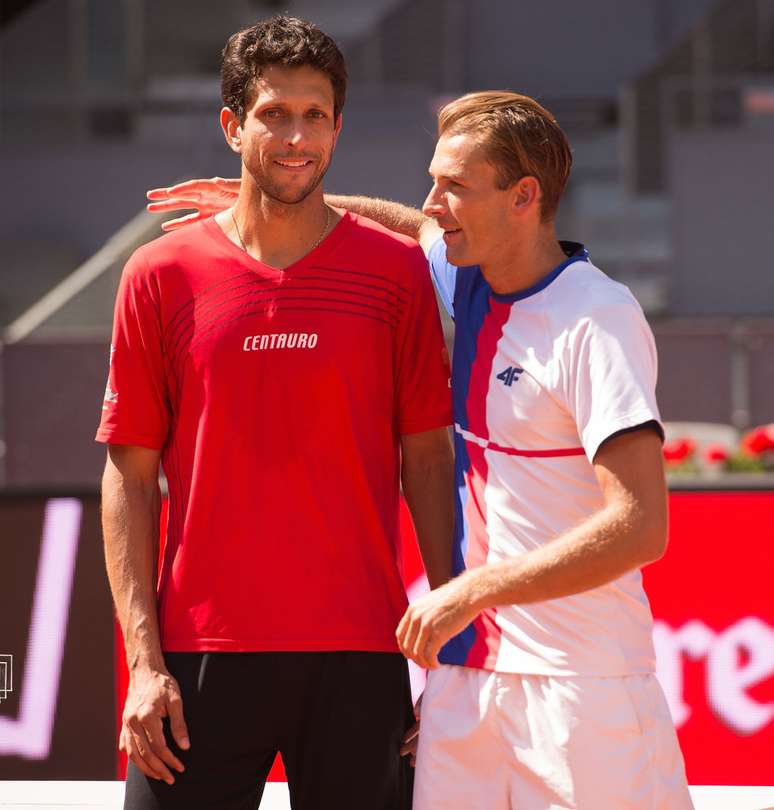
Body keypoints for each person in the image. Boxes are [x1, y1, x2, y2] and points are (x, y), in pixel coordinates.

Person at [149, 90, 694, 809]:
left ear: (524, 197)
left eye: (455, 187)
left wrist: (472, 589)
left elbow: (641, 525)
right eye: (435, 181)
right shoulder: (472, 278)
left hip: (581, 689)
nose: (433, 203)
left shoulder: (598, 319)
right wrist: (278, 198)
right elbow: (408, 224)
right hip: (467, 686)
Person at [98, 15, 454, 810]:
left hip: (362, 652)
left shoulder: (396, 274)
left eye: (315, 115)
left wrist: (451, 658)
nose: (296, 137)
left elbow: (428, 461)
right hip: (197, 660)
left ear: (338, 126)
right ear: (232, 126)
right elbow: (128, 476)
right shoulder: (160, 274)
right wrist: (144, 664)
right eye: (273, 114)